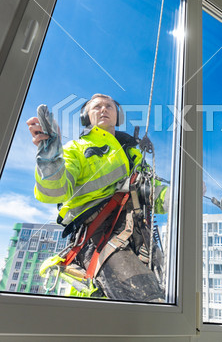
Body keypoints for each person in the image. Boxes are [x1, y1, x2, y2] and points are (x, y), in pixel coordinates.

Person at [27, 94, 168, 302]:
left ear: (117, 115)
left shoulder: (134, 156)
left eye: (109, 106)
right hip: (99, 235)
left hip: (139, 235)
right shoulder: (76, 149)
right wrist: (49, 160)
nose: (103, 110)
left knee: (169, 293)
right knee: (149, 303)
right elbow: (55, 191)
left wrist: (182, 194)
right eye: (97, 107)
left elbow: (156, 194)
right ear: (87, 116)